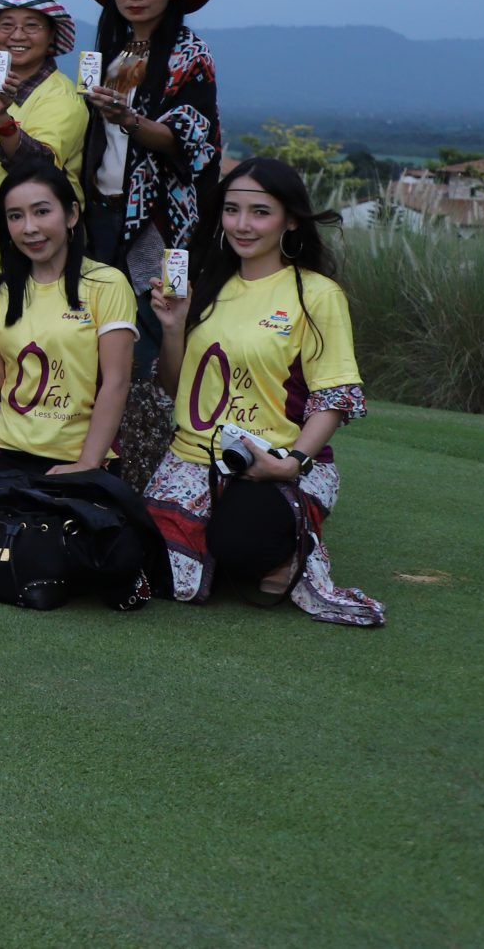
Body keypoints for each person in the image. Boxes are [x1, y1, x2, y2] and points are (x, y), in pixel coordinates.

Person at [147, 159, 384, 627]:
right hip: (191, 458)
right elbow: (177, 388)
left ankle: (289, 544)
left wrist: (291, 463)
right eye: (232, 210)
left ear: (290, 219)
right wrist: (173, 328)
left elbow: (334, 397)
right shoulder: (206, 285)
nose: (242, 225)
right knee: (148, 567)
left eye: (260, 212)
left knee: (242, 546)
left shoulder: (316, 294)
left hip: (274, 463)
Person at [71, 0, 224, 490]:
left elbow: (192, 140)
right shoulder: (111, 49)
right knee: (104, 333)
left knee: (152, 335)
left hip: (161, 222)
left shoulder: (189, 54)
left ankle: (155, 474)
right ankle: (102, 460)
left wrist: (129, 119)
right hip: (102, 212)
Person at [0, 161, 136, 477]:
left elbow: (116, 382)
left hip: (80, 456)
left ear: (72, 214)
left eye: (42, 211)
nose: (29, 228)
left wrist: (86, 464)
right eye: (15, 216)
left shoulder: (106, 284)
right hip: (4, 450)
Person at [0, 0, 89, 283]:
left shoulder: (61, 98)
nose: (17, 35)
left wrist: (2, 118)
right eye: (6, 25)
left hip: (35, 260)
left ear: (51, 35)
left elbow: (40, 166)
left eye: (32, 26)